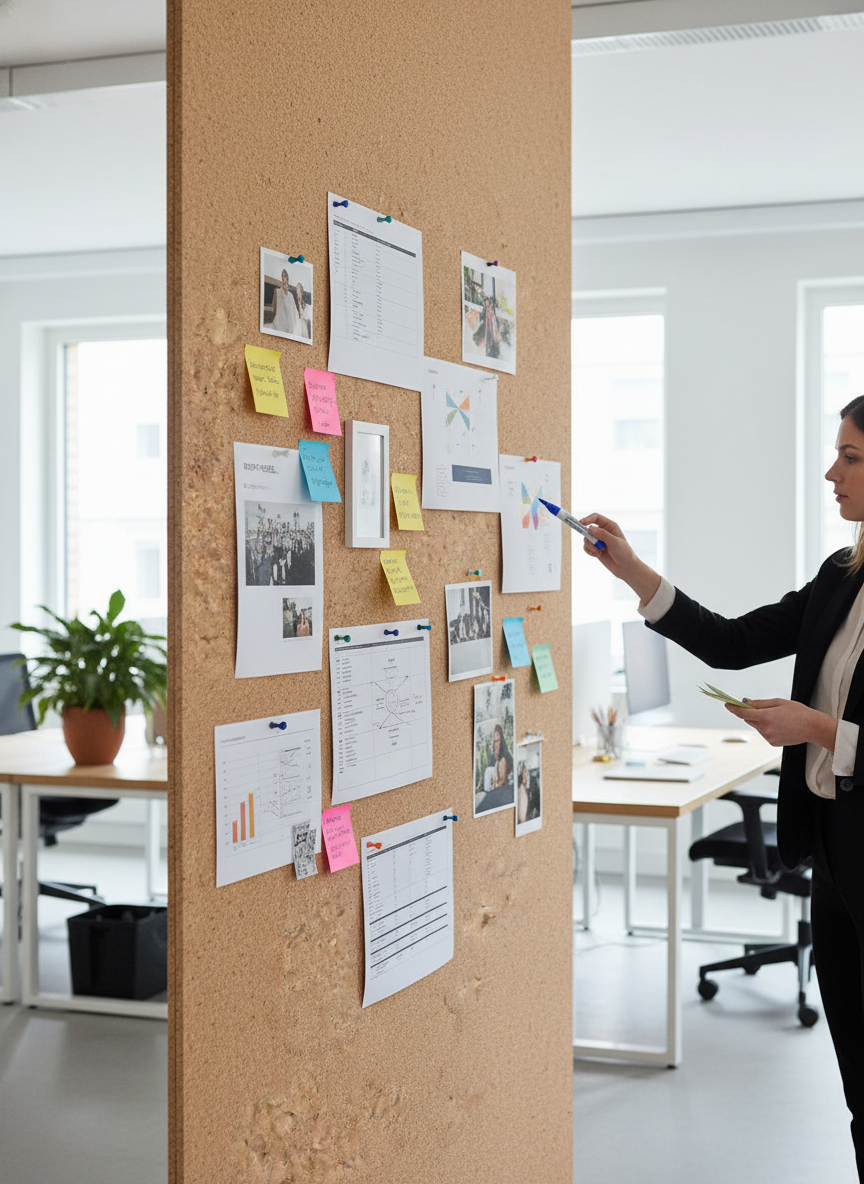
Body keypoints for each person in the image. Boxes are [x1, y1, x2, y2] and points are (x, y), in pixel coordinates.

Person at [578, 393, 864, 1179]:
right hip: (835, 865)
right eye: (838, 453)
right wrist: (630, 568)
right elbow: (732, 642)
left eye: (852, 458)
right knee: (859, 1094)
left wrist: (819, 729)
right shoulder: (840, 577)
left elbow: (832, 727)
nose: (831, 473)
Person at [482, 723, 513, 796]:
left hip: (503, 787)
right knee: (488, 771)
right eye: (495, 741)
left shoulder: (504, 758)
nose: (496, 744)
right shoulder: (494, 758)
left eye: (498, 741)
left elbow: (503, 780)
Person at [271, 269, 300, 336]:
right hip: (279, 322)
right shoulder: (277, 291)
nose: (284, 280)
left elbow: (293, 312)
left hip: (289, 324)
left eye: (285, 277)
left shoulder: (290, 295)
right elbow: (274, 308)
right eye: (283, 277)